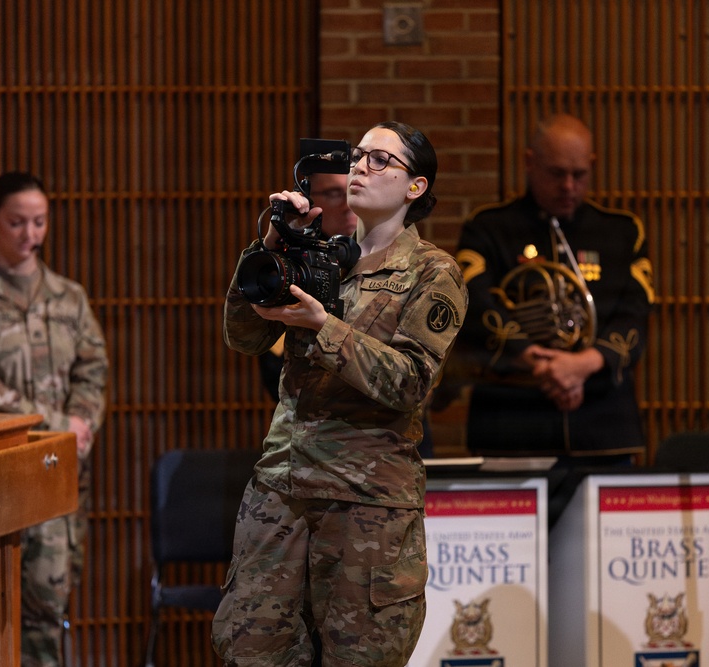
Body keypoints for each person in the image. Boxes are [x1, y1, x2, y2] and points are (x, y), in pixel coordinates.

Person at [213, 121, 468, 666]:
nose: (359, 167)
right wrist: (274, 245)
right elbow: (244, 335)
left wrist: (323, 325)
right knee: (252, 651)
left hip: (365, 503)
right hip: (282, 488)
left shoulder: (432, 272)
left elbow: (409, 382)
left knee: (360, 657)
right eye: (356, 156)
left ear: (414, 187)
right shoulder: (322, 252)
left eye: (380, 160)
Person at [0, 171, 108, 667]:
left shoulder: (69, 297)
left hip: (62, 471)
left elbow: (94, 369)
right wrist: (56, 422)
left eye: (39, 222)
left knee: (50, 604)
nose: (29, 234)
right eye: (16, 223)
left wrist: (81, 423)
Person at [453, 113, 654, 466]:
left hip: (602, 429)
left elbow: (634, 314)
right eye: (557, 173)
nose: (568, 187)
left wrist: (580, 365)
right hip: (512, 428)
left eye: (580, 175)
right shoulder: (488, 228)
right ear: (530, 163)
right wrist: (539, 361)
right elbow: (474, 303)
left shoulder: (622, 232)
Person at [256, 170, 359, 401]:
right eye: (334, 193)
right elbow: (272, 368)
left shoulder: (399, 259)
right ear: (309, 200)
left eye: (353, 191)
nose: (347, 204)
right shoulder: (294, 266)